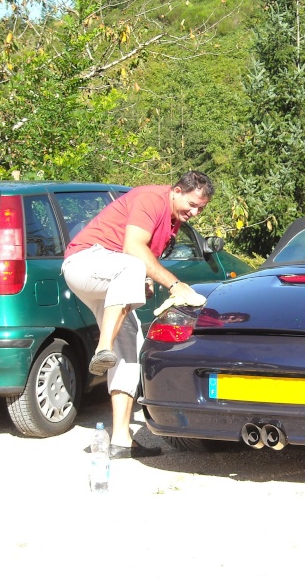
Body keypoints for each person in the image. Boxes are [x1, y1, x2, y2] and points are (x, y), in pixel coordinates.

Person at [62, 171, 212, 459]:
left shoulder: (172, 221)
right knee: (131, 266)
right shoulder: (151, 198)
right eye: (192, 204)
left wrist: (140, 281)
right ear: (177, 190)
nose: (194, 212)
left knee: (130, 347)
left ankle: (120, 438)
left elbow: (139, 260)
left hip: (108, 273)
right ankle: (102, 349)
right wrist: (175, 285)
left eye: (200, 209)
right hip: (83, 262)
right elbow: (132, 249)